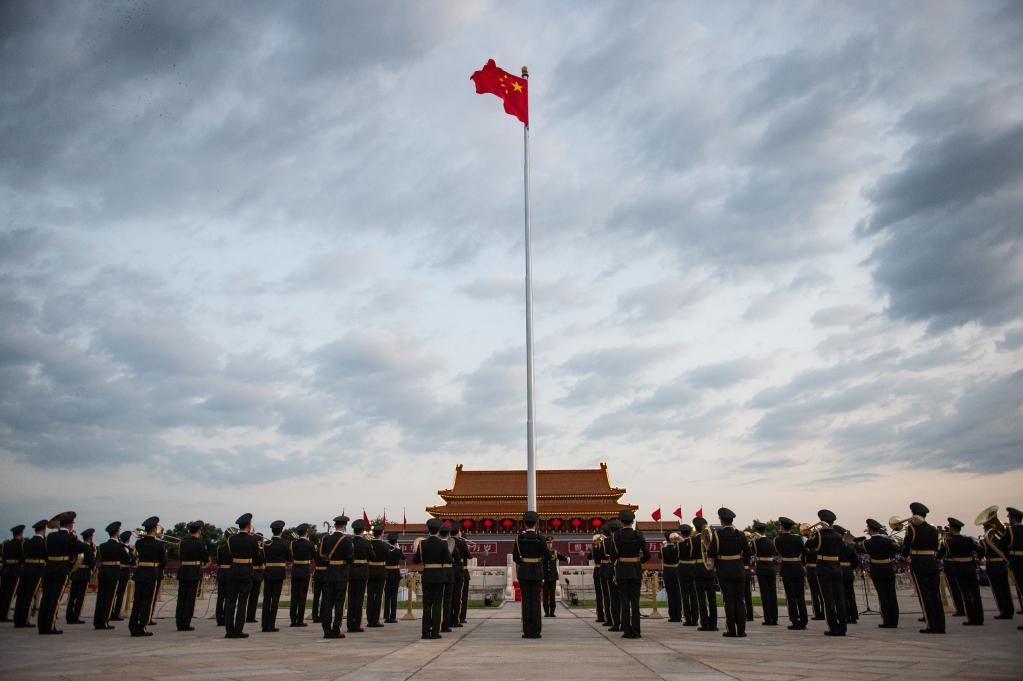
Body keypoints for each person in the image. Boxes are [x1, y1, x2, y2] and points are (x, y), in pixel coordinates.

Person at [38, 511, 90, 634]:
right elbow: (84, 548)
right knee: (55, 599)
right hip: (61, 569)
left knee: (46, 598)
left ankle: (42, 625)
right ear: (70, 524)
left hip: (49, 568)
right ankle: (49, 626)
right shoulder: (70, 537)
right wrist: (75, 538)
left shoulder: (50, 537)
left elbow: (45, 553)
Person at [605, 509, 650, 638]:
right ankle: (636, 631)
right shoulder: (638, 535)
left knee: (624, 601)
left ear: (621, 521)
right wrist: (637, 561)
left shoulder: (616, 536)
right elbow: (647, 555)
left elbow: (613, 556)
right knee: (635, 602)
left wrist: (620, 561)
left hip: (622, 571)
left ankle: (627, 630)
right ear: (632, 521)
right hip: (635, 570)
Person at [901, 502, 944, 634]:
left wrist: (906, 554)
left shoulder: (913, 529)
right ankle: (941, 625)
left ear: (914, 514)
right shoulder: (933, 529)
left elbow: (905, 548)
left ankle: (931, 625)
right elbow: (937, 547)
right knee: (936, 594)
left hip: (919, 562)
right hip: (932, 562)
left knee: (925, 595)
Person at [707, 508, 749, 638]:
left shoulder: (718, 536)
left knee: (728, 600)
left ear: (721, 520)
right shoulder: (741, 534)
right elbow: (748, 553)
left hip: (724, 570)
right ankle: (741, 630)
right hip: (739, 569)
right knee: (740, 600)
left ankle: (731, 629)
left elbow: (711, 553)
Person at [513, 510, 551, 639]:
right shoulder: (540, 538)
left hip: (524, 572)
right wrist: (539, 562)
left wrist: (524, 563)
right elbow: (548, 556)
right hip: (536, 572)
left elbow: (515, 558)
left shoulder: (519, 538)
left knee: (526, 601)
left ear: (524, 523)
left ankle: (527, 631)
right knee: (536, 601)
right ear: (536, 523)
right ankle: (536, 631)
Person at [128, 516, 167, 637]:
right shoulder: (159, 544)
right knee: (147, 602)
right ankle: (142, 626)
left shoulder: (139, 542)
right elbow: (164, 561)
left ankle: (133, 625)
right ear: (155, 528)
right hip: (152, 573)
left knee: (137, 601)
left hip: (140, 573)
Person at [414, 517, 452, 639]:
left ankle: (425, 631)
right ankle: (435, 632)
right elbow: (449, 560)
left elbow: (416, 560)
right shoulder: (443, 544)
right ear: (438, 530)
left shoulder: (422, 544)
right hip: (439, 576)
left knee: (426, 604)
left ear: (428, 529)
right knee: (437, 604)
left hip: (427, 576)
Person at [223, 513, 259, 639]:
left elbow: (229, 554)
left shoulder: (230, 539)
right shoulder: (253, 539)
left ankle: (229, 629)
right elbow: (257, 556)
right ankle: (238, 629)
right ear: (249, 525)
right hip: (246, 571)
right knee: (243, 602)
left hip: (233, 570)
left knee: (231, 602)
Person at [811, 509, 847, 636]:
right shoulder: (838, 535)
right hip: (836, 568)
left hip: (824, 568)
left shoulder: (820, 535)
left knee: (828, 600)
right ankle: (842, 626)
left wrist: (813, 533)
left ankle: (833, 627)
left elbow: (809, 545)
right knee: (839, 599)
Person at [942, 518, 983, 626]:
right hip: (970, 567)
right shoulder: (969, 540)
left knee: (966, 595)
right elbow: (981, 550)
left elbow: (940, 554)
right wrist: (977, 559)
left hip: (959, 568)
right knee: (976, 593)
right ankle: (980, 617)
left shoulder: (949, 542)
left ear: (951, 529)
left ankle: (972, 618)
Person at [859, 518, 899, 628]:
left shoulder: (867, 543)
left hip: (877, 569)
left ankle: (887, 620)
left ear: (870, 530)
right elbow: (895, 551)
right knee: (892, 595)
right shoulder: (888, 541)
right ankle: (894, 620)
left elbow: (862, 550)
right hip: (888, 568)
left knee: (883, 596)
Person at [319, 514, 353, 639]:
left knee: (328, 602)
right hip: (342, 573)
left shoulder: (326, 538)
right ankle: (336, 629)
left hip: (329, 572)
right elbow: (350, 558)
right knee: (340, 602)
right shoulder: (347, 539)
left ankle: (326, 630)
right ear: (344, 526)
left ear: (335, 525)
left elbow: (322, 554)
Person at [774, 517, 807, 630]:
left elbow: (778, 551)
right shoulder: (798, 539)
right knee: (800, 596)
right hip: (798, 567)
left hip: (787, 568)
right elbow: (804, 552)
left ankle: (794, 620)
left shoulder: (778, 539)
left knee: (791, 597)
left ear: (782, 527)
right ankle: (803, 620)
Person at [13, 519, 47, 628]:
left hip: (26, 569)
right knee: (30, 595)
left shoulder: (26, 542)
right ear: (44, 530)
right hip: (37, 569)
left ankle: (17, 619)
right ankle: (24, 620)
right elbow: (46, 556)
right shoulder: (43, 542)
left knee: (22, 595)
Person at [176, 520, 208, 632]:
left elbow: (179, 555)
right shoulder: (200, 542)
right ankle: (186, 623)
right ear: (199, 530)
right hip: (194, 571)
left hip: (183, 570)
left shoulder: (183, 541)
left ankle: (179, 622)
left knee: (181, 598)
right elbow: (205, 558)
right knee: (190, 599)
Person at [93, 521, 123, 630]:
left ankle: (97, 621)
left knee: (100, 597)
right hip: (113, 572)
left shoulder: (101, 546)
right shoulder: (119, 546)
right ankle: (104, 621)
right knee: (109, 598)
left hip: (103, 572)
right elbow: (126, 558)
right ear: (117, 532)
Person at [690, 516, 718, 632]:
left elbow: (691, 554)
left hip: (698, 571)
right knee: (712, 598)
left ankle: (704, 623)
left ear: (695, 528)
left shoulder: (693, 540)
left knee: (701, 599)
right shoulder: (711, 539)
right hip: (710, 570)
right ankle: (713, 623)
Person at [262, 521, 289, 632]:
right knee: (275, 598)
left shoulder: (267, 543)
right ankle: (271, 624)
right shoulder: (285, 543)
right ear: (281, 530)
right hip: (278, 571)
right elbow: (289, 557)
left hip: (268, 571)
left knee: (267, 598)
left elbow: (263, 557)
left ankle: (264, 624)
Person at [65, 527, 95, 624]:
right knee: (80, 597)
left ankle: (69, 616)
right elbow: (91, 562)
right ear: (90, 537)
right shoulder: (88, 547)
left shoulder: (78, 546)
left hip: (76, 572)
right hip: (84, 573)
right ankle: (75, 616)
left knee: (72, 596)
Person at [751, 521, 778, 626]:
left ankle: (768, 618)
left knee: (765, 594)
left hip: (762, 567)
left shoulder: (756, 542)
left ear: (757, 531)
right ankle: (774, 618)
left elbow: (751, 551)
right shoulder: (771, 541)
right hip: (771, 567)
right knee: (772, 593)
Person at [347, 518, 371, 633]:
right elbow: (373, 556)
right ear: (362, 530)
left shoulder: (349, 541)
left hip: (351, 571)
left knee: (351, 598)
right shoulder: (366, 542)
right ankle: (356, 624)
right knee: (359, 599)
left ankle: (349, 624)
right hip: (362, 572)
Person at [288, 523, 314, 627]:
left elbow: (290, 556)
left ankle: (293, 619)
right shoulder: (310, 544)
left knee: (294, 595)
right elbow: (313, 556)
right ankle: (300, 620)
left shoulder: (293, 543)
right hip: (304, 570)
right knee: (302, 596)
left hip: (295, 569)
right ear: (306, 532)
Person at [1000, 507, 1023, 618]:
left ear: (1012, 519)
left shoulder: (1010, 531)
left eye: (1009, 517)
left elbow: (1001, 545)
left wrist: (1008, 557)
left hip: (1017, 562)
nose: (1008, 518)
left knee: (1020, 588)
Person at [1, 525, 25, 622]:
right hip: (15, 570)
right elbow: (22, 558)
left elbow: (3, 557)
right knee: (10, 594)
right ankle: (4, 615)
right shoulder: (20, 545)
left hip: (5, 570)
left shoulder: (6, 544)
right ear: (20, 533)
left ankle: (1, 613)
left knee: (3, 593)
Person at [366, 524, 389, 628]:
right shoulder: (385, 545)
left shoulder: (368, 544)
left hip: (370, 570)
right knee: (379, 596)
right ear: (381, 534)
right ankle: (375, 620)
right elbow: (388, 558)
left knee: (370, 595)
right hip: (381, 571)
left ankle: (369, 619)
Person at [835, 526, 858, 624]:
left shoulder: (835, 546)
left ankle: (845, 615)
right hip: (848, 571)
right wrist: (850, 568)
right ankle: (853, 616)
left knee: (841, 595)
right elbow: (856, 562)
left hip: (838, 570)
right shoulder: (849, 546)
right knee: (850, 594)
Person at [602, 520, 623, 631]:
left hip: (611, 569)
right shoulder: (623, 538)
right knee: (624, 598)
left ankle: (615, 623)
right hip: (623, 569)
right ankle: (625, 623)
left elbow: (602, 555)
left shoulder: (605, 542)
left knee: (612, 598)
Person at [541, 536, 569, 617]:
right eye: (548, 543)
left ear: (552, 543)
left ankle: (552, 612)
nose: (549, 545)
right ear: (546, 544)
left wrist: (566, 558)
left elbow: (561, 557)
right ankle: (546, 612)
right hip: (545, 576)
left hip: (553, 576)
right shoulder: (542, 552)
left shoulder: (555, 552)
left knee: (552, 595)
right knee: (545, 596)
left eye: (550, 543)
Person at [677, 524, 699, 627]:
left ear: (681, 533)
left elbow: (676, 556)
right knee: (694, 595)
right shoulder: (694, 542)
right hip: (693, 569)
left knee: (685, 596)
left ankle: (688, 619)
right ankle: (695, 618)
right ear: (690, 533)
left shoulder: (679, 544)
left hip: (683, 569)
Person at [112, 530, 134, 621]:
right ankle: (115, 613)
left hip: (121, 571)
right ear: (128, 539)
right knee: (119, 594)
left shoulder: (127, 548)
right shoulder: (123, 548)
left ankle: (115, 612)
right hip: (123, 572)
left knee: (118, 594)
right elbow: (131, 561)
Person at [438, 523, 455, 632]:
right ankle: (445, 624)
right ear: (448, 534)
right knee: (447, 600)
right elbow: (451, 559)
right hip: (448, 573)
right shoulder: (446, 544)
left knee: (436, 600)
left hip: (437, 572)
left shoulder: (426, 543)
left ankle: (434, 623)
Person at [661, 532, 682, 622]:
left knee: (670, 595)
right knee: (678, 594)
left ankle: (672, 616)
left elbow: (659, 556)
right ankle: (678, 615)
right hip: (677, 571)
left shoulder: (663, 549)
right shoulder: (677, 548)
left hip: (668, 572)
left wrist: (664, 545)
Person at [383, 532, 403, 623]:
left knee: (387, 596)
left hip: (386, 573)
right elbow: (404, 558)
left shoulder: (385, 549)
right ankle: (393, 617)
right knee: (394, 596)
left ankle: (386, 616)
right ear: (396, 541)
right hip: (395, 574)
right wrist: (398, 548)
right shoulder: (398, 550)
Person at [244, 533, 265, 624]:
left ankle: (247, 615)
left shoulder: (248, 548)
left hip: (249, 572)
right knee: (254, 596)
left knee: (247, 596)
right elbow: (262, 560)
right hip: (256, 573)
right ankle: (250, 616)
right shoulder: (259, 550)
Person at [587, 534, 607, 623]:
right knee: (606, 594)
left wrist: (591, 550)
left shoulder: (594, 550)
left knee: (599, 594)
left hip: (597, 571)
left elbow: (589, 557)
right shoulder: (605, 549)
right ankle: (607, 615)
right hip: (604, 569)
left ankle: (600, 616)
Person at [215, 536, 232, 626]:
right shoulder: (233, 548)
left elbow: (218, 561)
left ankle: (218, 619)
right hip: (230, 573)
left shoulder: (219, 548)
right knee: (229, 598)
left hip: (221, 573)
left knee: (220, 598)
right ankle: (226, 617)